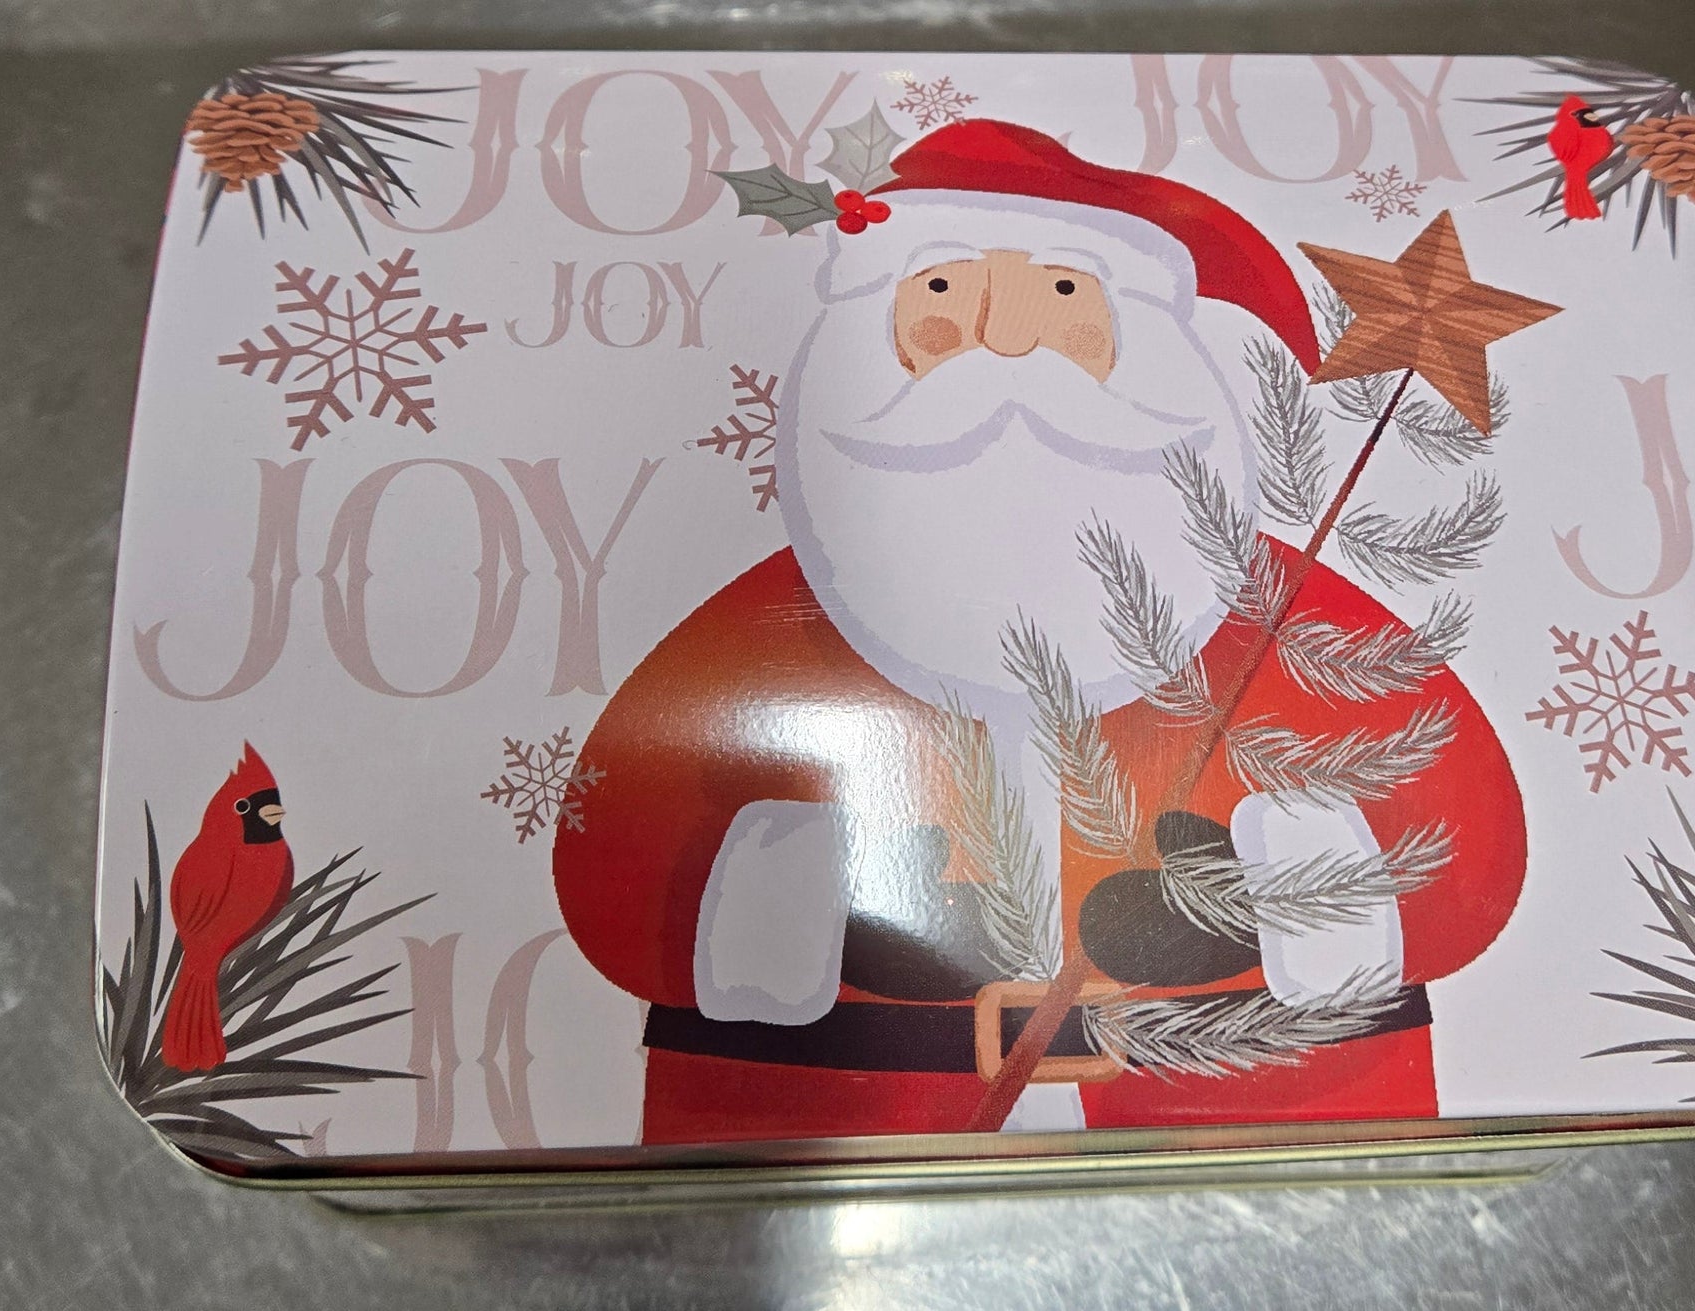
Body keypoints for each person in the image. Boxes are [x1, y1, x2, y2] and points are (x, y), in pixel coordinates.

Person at [553, 120, 1526, 1144]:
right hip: (850, 1106)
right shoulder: (781, 626)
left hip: (1250, 1113)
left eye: (1061, 295)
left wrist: (1281, 899)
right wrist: (783, 897)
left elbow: (1462, 834)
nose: (1006, 344)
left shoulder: (1278, 615)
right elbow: (618, 842)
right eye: (944, 294)